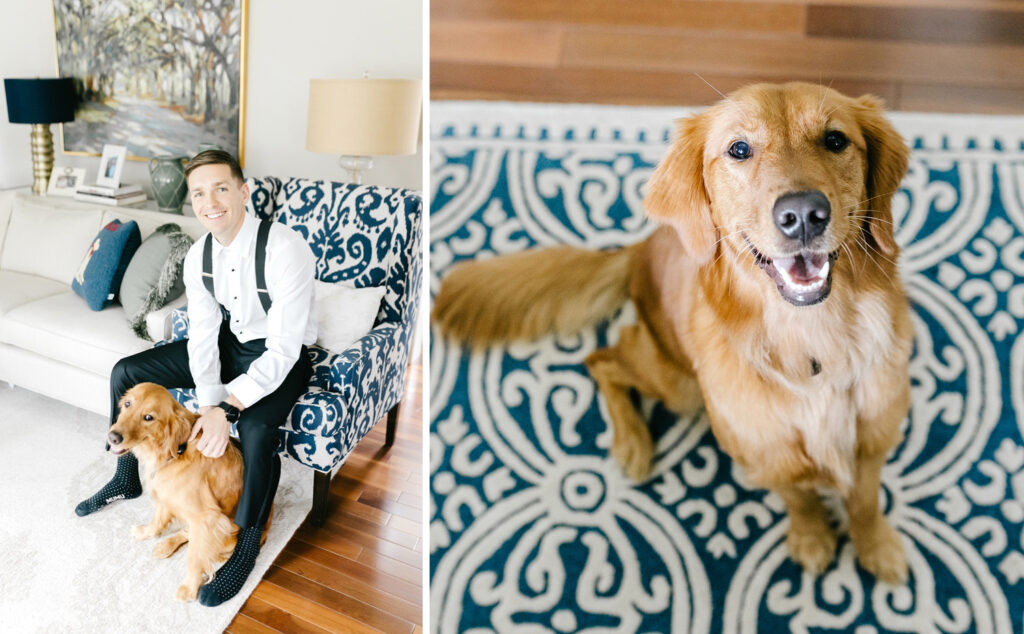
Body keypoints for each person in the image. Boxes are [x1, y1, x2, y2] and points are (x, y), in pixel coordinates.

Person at [74, 150, 317, 607]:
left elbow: (284, 348)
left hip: (280, 355)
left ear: (243, 192)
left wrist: (229, 409)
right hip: (231, 346)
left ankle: (245, 544)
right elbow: (203, 338)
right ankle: (127, 473)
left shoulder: (286, 249)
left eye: (221, 188)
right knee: (127, 370)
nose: (210, 203)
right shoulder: (199, 254)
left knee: (258, 429)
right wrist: (209, 403)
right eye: (199, 193)